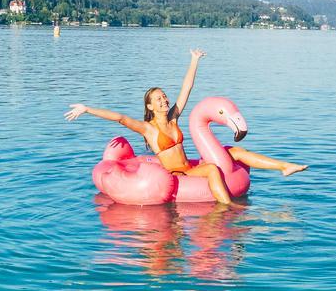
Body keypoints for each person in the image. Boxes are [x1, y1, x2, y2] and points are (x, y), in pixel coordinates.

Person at [66, 49, 308, 207]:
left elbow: (187, 88)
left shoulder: (173, 119)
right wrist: (87, 109)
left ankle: (283, 166)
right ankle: (228, 208)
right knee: (213, 169)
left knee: (234, 152)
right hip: (177, 175)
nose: (164, 100)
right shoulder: (148, 129)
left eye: (164, 97)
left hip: (189, 167)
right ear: (150, 105)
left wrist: (194, 61)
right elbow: (119, 117)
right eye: (159, 99)